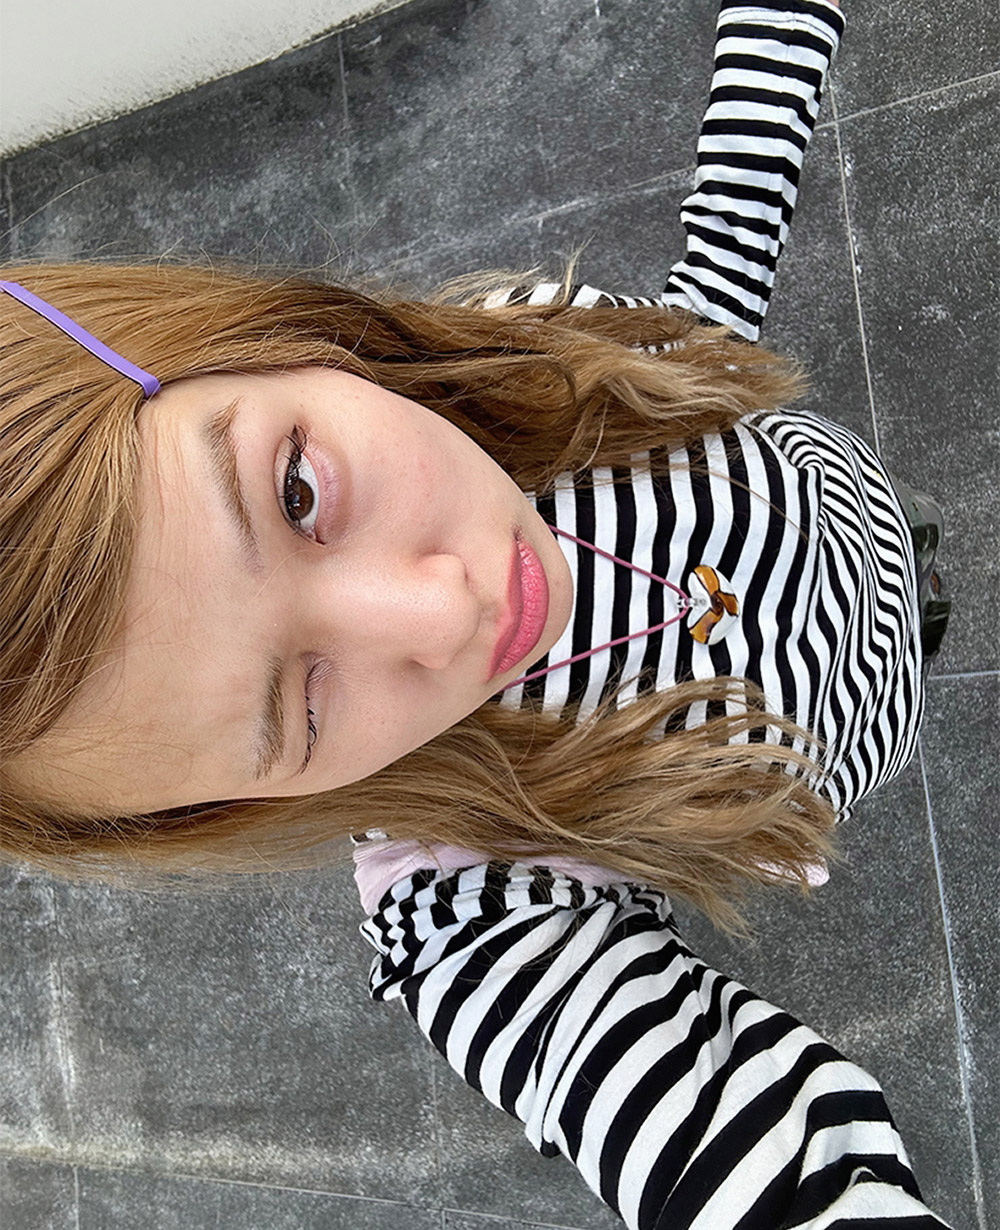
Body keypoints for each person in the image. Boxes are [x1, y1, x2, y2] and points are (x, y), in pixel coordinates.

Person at [0, 0, 954, 1224]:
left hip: (834, 487)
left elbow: (697, 326)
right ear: (246, 802)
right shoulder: (466, 910)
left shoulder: (514, 355)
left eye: (296, 493)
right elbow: (727, 1152)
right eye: (301, 709)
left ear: (256, 343)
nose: (445, 613)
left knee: (903, 548)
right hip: (858, 723)